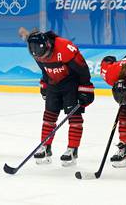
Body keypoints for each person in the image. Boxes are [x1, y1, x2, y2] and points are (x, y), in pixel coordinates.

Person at [28, 31, 95, 166]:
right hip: (53, 83)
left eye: (46, 54)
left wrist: (86, 89)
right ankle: (45, 147)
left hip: (71, 84)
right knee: (49, 116)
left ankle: (72, 149)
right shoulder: (35, 52)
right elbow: (45, 70)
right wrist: (45, 84)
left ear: (48, 45)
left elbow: (83, 69)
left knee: (74, 116)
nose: (44, 57)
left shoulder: (64, 47)